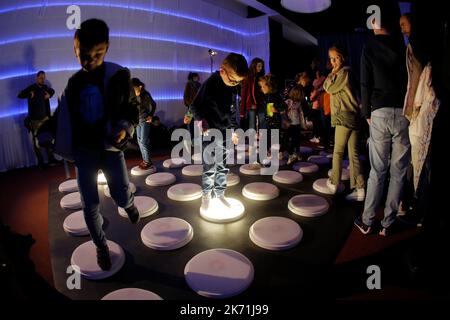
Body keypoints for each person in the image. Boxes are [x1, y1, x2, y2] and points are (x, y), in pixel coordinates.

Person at [56, 19, 140, 270]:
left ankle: (128, 204)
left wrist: (125, 129)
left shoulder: (119, 74)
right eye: (84, 54)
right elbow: (64, 114)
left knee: (121, 194)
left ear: (107, 48)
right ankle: (101, 247)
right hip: (85, 153)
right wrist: (50, 134)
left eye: (97, 54)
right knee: (89, 204)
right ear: (75, 49)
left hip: (112, 150)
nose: (89, 60)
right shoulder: (73, 83)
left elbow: (132, 108)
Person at [355, 10, 409, 236]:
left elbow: (365, 83)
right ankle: (388, 223)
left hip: (379, 111)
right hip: (404, 113)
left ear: (375, 22)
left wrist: (366, 112)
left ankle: (367, 221)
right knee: (399, 171)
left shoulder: (369, 46)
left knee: (377, 170)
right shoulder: (404, 46)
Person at [186, 53, 248, 211]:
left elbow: (232, 111)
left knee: (222, 166)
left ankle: (219, 193)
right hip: (210, 132)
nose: (235, 84)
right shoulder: (210, 83)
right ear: (222, 71)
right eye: (233, 80)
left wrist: (234, 129)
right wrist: (202, 122)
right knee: (209, 166)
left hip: (226, 131)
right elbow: (194, 106)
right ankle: (206, 193)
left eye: (238, 82)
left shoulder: (233, 86)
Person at [323, 44, 365, 201]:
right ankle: (359, 189)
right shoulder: (347, 72)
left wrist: (331, 73)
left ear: (344, 57)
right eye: (331, 59)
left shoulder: (343, 72)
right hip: (353, 115)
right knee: (353, 153)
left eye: (336, 58)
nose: (333, 61)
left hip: (344, 115)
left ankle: (334, 183)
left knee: (338, 151)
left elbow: (328, 88)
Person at [18, 71, 58, 167]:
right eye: (41, 78)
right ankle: (41, 163)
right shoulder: (32, 88)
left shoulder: (44, 88)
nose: (42, 79)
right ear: (37, 78)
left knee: (48, 139)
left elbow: (52, 91)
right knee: (37, 142)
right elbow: (20, 95)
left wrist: (49, 95)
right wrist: (29, 95)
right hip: (35, 121)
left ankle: (51, 160)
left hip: (45, 119)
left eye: (43, 78)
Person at [259, 74, 287, 161]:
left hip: (274, 121)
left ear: (269, 86)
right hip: (267, 120)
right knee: (267, 136)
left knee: (275, 137)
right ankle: (267, 151)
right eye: (261, 86)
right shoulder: (266, 96)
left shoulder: (276, 95)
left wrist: (277, 109)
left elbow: (284, 106)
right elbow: (267, 110)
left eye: (263, 86)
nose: (261, 88)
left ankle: (278, 152)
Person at [131, 77, 156, 171]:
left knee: (144, 141)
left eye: (134, 87)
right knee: (139, 141)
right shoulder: (132, 95)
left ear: (140, 86)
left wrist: (151, 115)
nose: (133, 89)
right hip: (137, 121)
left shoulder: (145, 94)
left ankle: (148, 161)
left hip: (145, 120)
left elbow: (154, 104)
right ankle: (145, 160)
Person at [240, 58, 265, 133]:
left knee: (263, 125)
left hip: (261, 104)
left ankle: (263, 142)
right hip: (251, 105)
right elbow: (244, 94)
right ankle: (251, 143)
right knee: (251, 126)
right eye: (259, 66)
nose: (260, 68)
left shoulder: (262, 78)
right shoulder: (248, 78)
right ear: (254, 66)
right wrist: (242, 112)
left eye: (261, 66)